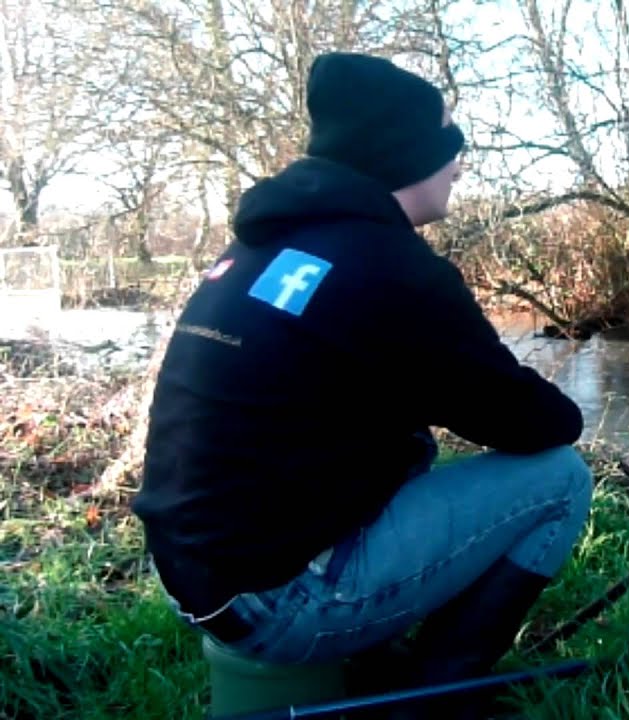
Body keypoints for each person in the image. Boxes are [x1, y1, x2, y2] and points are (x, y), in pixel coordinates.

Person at [131, 51, 594, 716]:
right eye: (448, 144)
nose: (460, 163)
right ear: (403, 153)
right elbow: (538, 425)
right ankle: (435, 695)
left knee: (405, 443)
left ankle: (378, 658)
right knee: (559, 478)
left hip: (194, 576)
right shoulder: (392, 267)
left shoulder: (259, 248)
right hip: (276, 603)